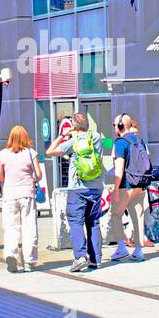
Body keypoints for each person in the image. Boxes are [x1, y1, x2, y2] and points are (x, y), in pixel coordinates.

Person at [47, 112, 106, 273]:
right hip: (96, 187)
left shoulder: (73, 142)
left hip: (77, 188)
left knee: (76, 222)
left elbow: (50, 152)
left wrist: (62, 136)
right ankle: (96, 259)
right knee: (93, 222)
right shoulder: (97, 138)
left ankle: (80, 257)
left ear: (74, 125)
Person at [0, 125, 42, 273]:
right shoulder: (31, 153)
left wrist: (8, 179)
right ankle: (29, 261)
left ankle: (11, 255)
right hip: (27, 194)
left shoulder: (3, 154)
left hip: (9, 195)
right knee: (29, 227)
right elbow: (39, 174)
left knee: (11, 228)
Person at [108, 114, 152, 263]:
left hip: (127, 185)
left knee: (115, 214)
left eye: (115, 125)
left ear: (120, 126)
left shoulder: (120, 142)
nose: (114, 128)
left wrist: (115, 189)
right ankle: (138, 251)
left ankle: (121, 247)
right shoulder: (139, 140)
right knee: (138, 216)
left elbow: (119, 169)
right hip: (141, 183)